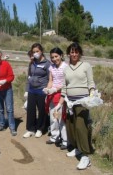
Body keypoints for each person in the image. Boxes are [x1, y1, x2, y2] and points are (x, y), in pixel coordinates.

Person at [54, 42, 95, 170]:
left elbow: (91, 82)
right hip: (69, 103)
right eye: (72, 52)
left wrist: (92, 94)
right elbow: (65, 88)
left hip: (82, 102)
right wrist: (59, 105)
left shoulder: (86, 66)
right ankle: (77, 148)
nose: (74, 54)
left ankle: (85, 156)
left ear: (80, 53)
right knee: (71, 127)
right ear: (68, 54)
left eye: (76, 51)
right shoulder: (66, 69)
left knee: (80, 127)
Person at [23, 43, 51, 138]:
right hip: (32, 90)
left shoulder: (47, 64)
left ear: (41, 51)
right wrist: (27, 90)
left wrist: (47, 90)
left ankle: (40, 128)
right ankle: (31, 129)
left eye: (37, 51)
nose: (35, 53)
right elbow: (29, 76)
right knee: (30, 110)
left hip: (41, 90)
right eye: (33, 52)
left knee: (42, 110)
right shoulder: (32, 62)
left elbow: (50, 78)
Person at [43, 47, 68, 149]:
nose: (54, 59)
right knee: (53, 117)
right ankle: (54, 136)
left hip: (61, 94)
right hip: (52, 94)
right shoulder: (51, 67)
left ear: (61, 55)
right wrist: (48, 89)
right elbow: (51, 80)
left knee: (61, 118)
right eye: (52, 57)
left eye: (56, 56)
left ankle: (65, 140)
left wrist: (56, 89)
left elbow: (66, 83)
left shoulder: (66, 67)